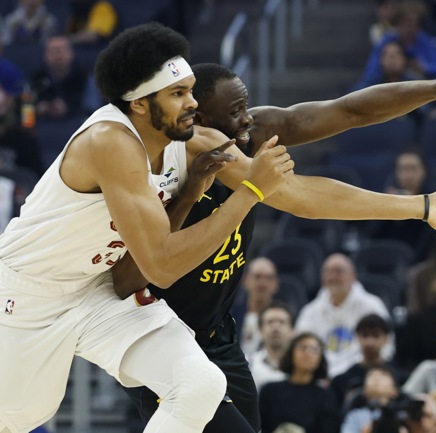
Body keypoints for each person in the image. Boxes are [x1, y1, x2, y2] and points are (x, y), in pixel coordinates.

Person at [117, 45, 436, 432]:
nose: (247, 119)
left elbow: (349, 111)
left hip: (218, 336)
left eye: (245, 106)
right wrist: (421, 206)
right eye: (234, 112)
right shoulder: (183, 155)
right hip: (162, 338)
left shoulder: (249, 133)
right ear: (198, 118)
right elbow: (303, 199)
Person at [0, 21, 295, 433]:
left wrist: (396, 207)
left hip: (100, 289)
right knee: (20, 416)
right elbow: (161, 265)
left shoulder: (185, 139)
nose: (193, 103)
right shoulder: (109, 140)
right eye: (178, 94)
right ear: (139, 103)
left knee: (199, 385)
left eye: (190, 90)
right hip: (32, 291)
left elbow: (301, 188)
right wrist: (249, 192)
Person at [258, 333, 340, 433]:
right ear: (291, 352)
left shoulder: (326, 395)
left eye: (315, 349)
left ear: (321, 358)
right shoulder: (270, 390)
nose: (308, 353)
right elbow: (258, 425)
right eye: (303, 347)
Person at [248, 302, 294, 390]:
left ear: (292, 330)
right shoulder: (248, 364)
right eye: (270, 322)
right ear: (260, 330)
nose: (276, 327)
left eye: (282, 322)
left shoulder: (301, 365)